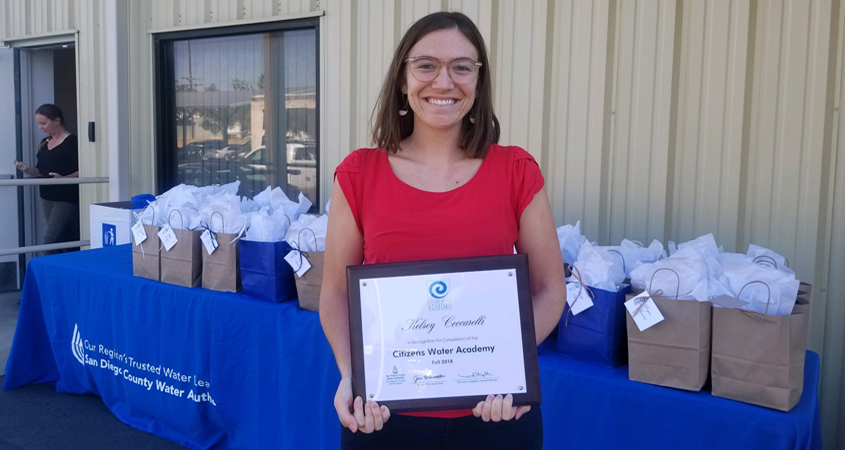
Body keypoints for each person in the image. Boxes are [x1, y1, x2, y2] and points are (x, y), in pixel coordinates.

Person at [319, 11, 566, 450]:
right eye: (426, 65)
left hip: (495, 414)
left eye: (462, 67)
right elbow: (337, 293)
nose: (444, 81)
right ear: (403, 79)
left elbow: (550, 289)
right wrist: (351, 374)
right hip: (385, 417)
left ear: (478, 80)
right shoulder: (358, 174)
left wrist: (511, 367)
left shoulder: (516, 170)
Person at [13, 103, 80, 255]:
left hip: (65, 198)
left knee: (49, 240)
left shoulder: (72, 143)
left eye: (43, 123)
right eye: (39, 124)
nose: (40, 127)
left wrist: (64, 178)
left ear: (56, 121)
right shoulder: (44, 143)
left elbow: (85, 169)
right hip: (46, 196)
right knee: (61, 237)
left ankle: (44, 272)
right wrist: (26, 169)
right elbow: (41, 171)